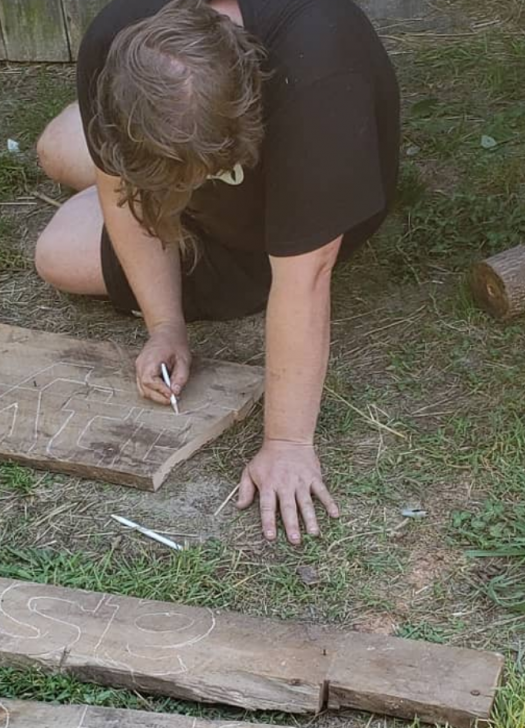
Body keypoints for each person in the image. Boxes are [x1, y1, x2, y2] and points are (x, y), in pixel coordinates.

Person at [34, 0, 401, 545]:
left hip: (296, 200)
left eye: (185, 179)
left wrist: (287, 444)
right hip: (194, 139)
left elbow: (305, 276)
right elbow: (116, 187)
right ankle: (153, 155)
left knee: (60, 250)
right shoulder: (112, 38)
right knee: (53, 151)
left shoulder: (316, 73)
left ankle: (175, 166)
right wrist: (165, 324)